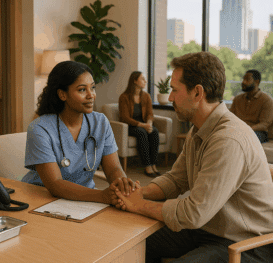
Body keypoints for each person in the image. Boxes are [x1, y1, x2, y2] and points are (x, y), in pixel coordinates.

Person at [114, 52, 273, 263]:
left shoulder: (229, 139)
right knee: (131, 243)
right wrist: (138, 192)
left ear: (197, 93)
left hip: (246, 243)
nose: (169, 97)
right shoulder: (199, 128)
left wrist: (138, 205)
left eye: (174, 90)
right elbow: (176, 179)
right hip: (207, 228)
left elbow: (193, 213)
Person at [21, 61, 135, 205]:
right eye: (82, 90)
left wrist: (121, 186)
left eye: (92, 88)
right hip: (43, 199)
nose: (91, 95)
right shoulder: (40, 129)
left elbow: (113, 168)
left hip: (84, 199)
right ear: (62, 94)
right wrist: (102, 197)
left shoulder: (100, 122)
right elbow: (55, 184)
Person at [119, 71, 160, 177]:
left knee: (154, 132)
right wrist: (143, 125)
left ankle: (153, 164)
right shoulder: (124, 97)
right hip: (130, 126)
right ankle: (147, 166)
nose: (145, 81)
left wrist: (149, 124)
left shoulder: (146, 96)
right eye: (142, 79)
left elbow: (150, 113)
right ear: (135, 81)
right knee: (142, 132)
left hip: (144, 124)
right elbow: (125, 118)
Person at [230, 69, 273, 143]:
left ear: (257, 82)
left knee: (245, 138)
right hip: (238, 130)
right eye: (243, 79)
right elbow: (230, 117)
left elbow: (264, 124)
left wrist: (246, 129)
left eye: (247, 79)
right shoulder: (237, 99)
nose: (243, 82)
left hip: (258, 132)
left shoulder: (267, 100)